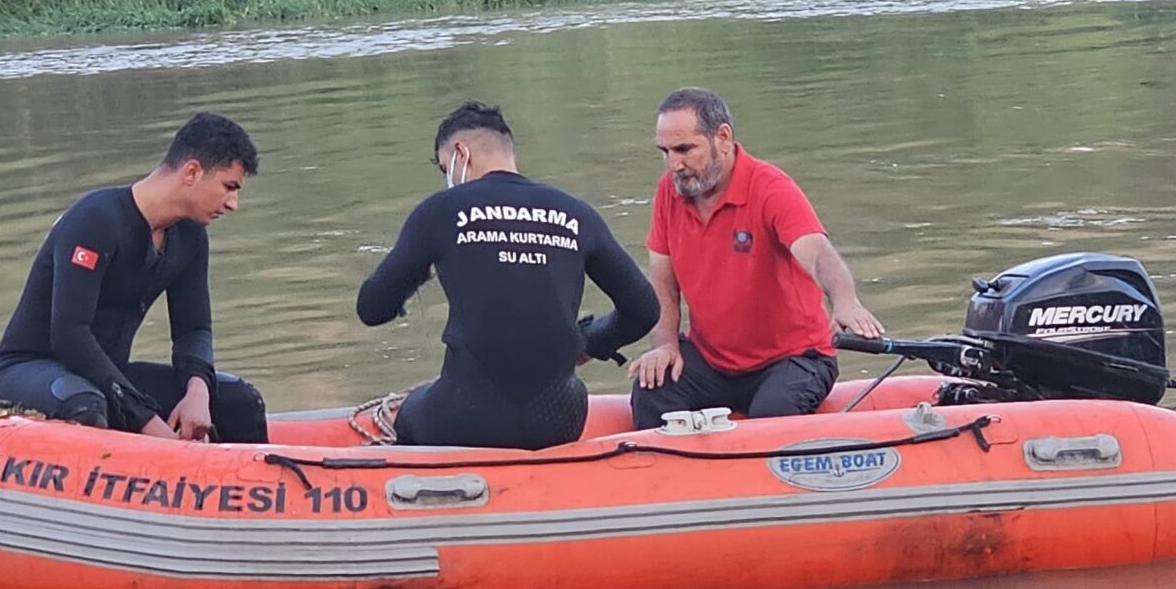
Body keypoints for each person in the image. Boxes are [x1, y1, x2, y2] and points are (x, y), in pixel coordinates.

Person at [357, 102, 660, 449]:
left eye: (445, 167)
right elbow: (644, 309)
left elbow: (372, 308)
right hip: (560, 421)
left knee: (409, 411)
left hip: (462, 420)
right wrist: (589, 343)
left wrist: (423, 268)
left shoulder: (441, 212)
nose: (448, 178)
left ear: (460, 152)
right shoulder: (575, 212)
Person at [0, 112, 268, 444]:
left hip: (108, 376)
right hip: (30, 368)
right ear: (192, 171)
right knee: (88, 405)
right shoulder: (96, 220)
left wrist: (198, 391)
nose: (233, 204)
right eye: (229, 187)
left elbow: (194, 329)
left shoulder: (191, 236)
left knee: (241, 401)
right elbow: (69, 335)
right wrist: (146, 419)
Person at [629, 88, 882, 431]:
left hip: (793, 359)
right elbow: (662, 281)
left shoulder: (771, 188)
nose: (674, 164)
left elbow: (818, 252)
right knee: (651, 390)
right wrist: (665, 345)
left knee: (772, 414)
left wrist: (845, 302)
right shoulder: (668, 193)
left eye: (685, 149)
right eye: (665, 152)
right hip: (712, 360)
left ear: (722, 137)